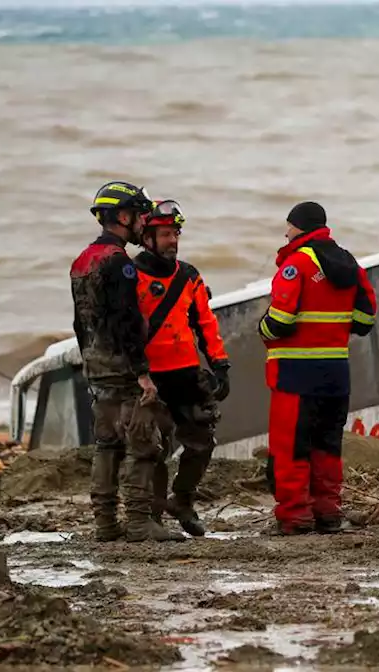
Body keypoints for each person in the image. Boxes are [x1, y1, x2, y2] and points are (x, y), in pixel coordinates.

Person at [70, 180, 180, 543]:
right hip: (122, 365)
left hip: (94, 362)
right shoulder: (120, 265)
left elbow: (79, 321)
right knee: (143, 443)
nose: (143, 223)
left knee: (106, 444)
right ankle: (137, 522)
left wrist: (90, 357)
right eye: (138, 215)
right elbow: (127, 322)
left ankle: (104, 523)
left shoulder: (82, 261)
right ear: (122, 216)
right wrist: (143, 374)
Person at [258, 201, 376, 535]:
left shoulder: (296, 264)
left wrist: (262, 329)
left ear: (302, 227)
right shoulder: (349, 263)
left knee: (291, 447)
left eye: (289, 226)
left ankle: (295, 517)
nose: (285, 232)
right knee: (327, 446)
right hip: (336, 374)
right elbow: (367, 319)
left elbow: (280, 319)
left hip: (295, 375)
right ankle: (328, 513)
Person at [133, 199, 231, 537]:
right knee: (153, 448)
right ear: (147, 237)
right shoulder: (131, 276)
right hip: (150, 379)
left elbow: (206, 324)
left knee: (202, 441)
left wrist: (220, 365)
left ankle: (183, 500)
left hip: (187, 374)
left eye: (176, 233)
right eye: (165, 234)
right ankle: (155, 514)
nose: (173, 240)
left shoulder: (189, 276)